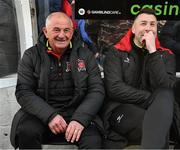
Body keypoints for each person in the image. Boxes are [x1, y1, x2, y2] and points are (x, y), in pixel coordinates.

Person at [10, 12, 104, 149]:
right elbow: (23, 92)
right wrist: (50, 116)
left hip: (77, 114)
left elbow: (97, 90)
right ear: (45, 32)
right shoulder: (31, 55)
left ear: (72, 32)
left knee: (93, 140)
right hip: (41, 115)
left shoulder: (85, 55)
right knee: (26, 132)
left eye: (67, 30)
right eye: (56, 30)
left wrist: (80, 119)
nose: (62, 35)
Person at [101, 8, 176, 149]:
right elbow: (115, 89)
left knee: (164, 97)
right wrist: (149, 98)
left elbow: (166, 86)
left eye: (152, 24)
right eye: (143, 23)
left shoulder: (166, 55)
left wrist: (153, 52)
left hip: (158, 108)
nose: (148, 28)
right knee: (157, 124)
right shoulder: (116, 52)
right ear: (133, 29)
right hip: (121, 108)